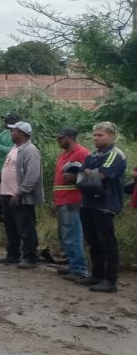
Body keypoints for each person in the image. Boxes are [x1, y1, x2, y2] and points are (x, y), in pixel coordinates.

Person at [76, 122, 127, 293]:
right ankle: (96, 274)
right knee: (93, 241)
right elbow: (81, 176)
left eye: (100, 135)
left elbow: (101, 175)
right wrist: (91, 174)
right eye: (95, 135)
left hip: (106, 204)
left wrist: (91, 173)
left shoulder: (115, 154)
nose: (96, 138)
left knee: (107, 242)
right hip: (88, 203)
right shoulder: (92, 155)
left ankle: (110, 280)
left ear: (111, 136)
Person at [0, 121, 43, 268]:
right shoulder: (15, 148)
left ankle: (30, 257)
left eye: (13, 131)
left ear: (22, 134)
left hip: (20, 196)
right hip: (7, 194)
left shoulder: (30, 150)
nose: (11, 133)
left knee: (26, 227)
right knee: (11, 227)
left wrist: (20, 192)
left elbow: (32, 175)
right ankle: (13, 254)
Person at [52, 127, 90, 283]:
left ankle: (79, 269)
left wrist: (76, 176)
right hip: (62, 200)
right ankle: (73, 265)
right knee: (65, 236)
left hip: (72, 200)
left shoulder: (82, 153)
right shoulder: (64, 155)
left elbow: (90, 175)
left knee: (72, 236)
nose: (58, 141)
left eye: (61, 138)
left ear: (70, 137)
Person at [0, 113, 21, 217]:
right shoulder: (3, 134)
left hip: (13, 173)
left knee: (11, 196)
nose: (6, 123)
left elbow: (15, 150)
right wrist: (5, 149)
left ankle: (11, 217)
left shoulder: (19, 134)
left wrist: (1, 148)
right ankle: (1, 215)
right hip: (0, 171)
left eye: (9, 120)